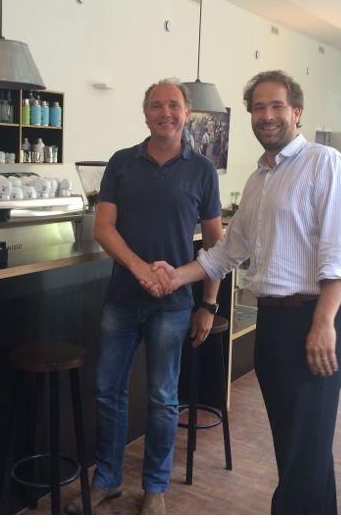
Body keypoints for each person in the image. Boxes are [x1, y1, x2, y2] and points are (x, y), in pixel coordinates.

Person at [144, 70, 341, 514]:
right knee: (298, 448)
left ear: (296, 112)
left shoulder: (325, 163)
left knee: (305, 450)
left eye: (277, 105)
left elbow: (340, 254)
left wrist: (324, 323)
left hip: (316, 318)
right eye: (258, 107)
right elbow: (226, 252)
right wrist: (176, 276)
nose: (267, 115)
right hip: (275, 323)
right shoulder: (260, 179)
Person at [75, 78, 224, 515]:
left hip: (173, 306)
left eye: (173, 105)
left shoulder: (203, 170)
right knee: (107, 391)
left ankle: (155, 486)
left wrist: (208, 304)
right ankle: (107, 479)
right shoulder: (122, 163)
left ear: (186, 114)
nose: (165, 113)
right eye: (156, 105)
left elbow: (215, 245)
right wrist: (141, 269)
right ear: (145, 115)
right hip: (122, 299)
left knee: (162, 399)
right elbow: (103, 227)